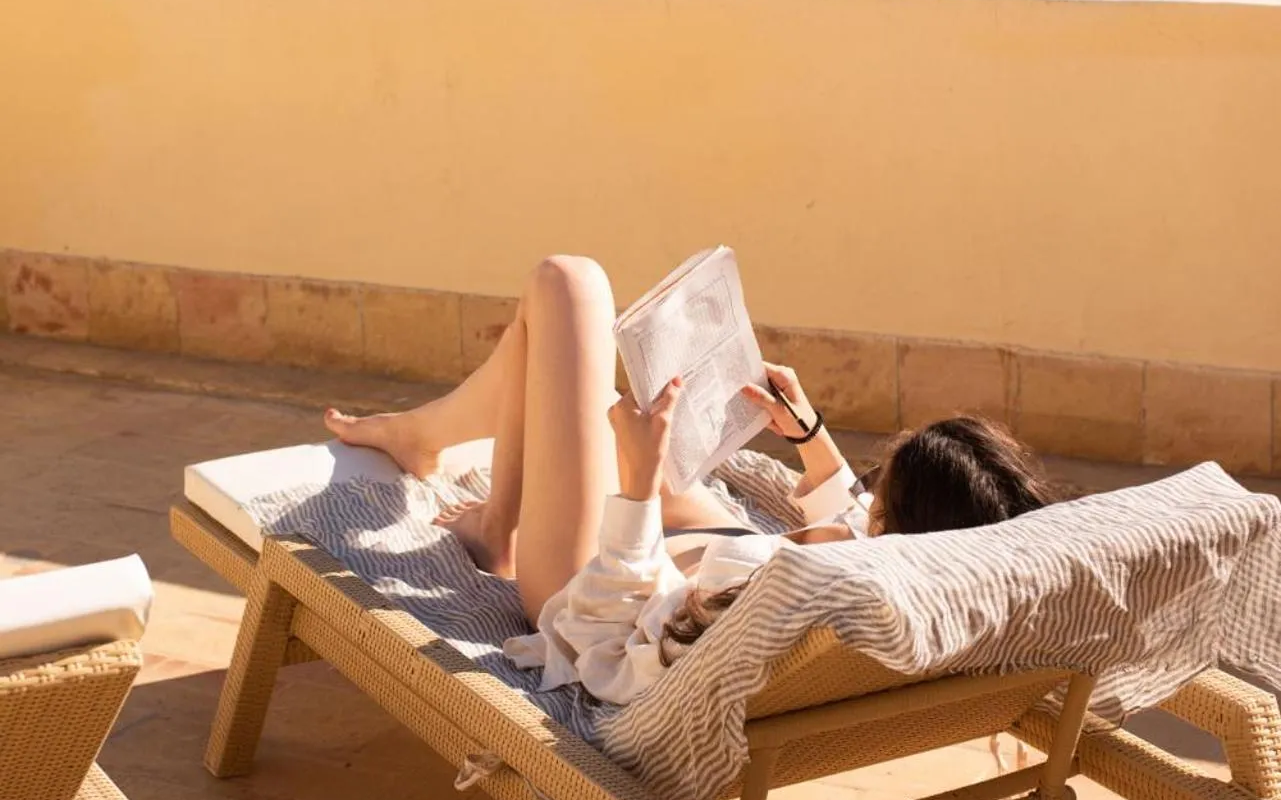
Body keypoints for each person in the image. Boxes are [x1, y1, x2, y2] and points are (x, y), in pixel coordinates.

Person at [325, 254, 1055, 705]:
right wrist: (808, 435)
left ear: (899, 527)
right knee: (572, 383)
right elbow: (856, 519)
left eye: (880, 489)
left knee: (567, 286)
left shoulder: (792, 595)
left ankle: (477, 508)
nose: (869, 497)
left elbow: (618, 635)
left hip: (596, 584)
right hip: (710, 547)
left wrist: (639, 483)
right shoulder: (937, 577)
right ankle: (421, 436)